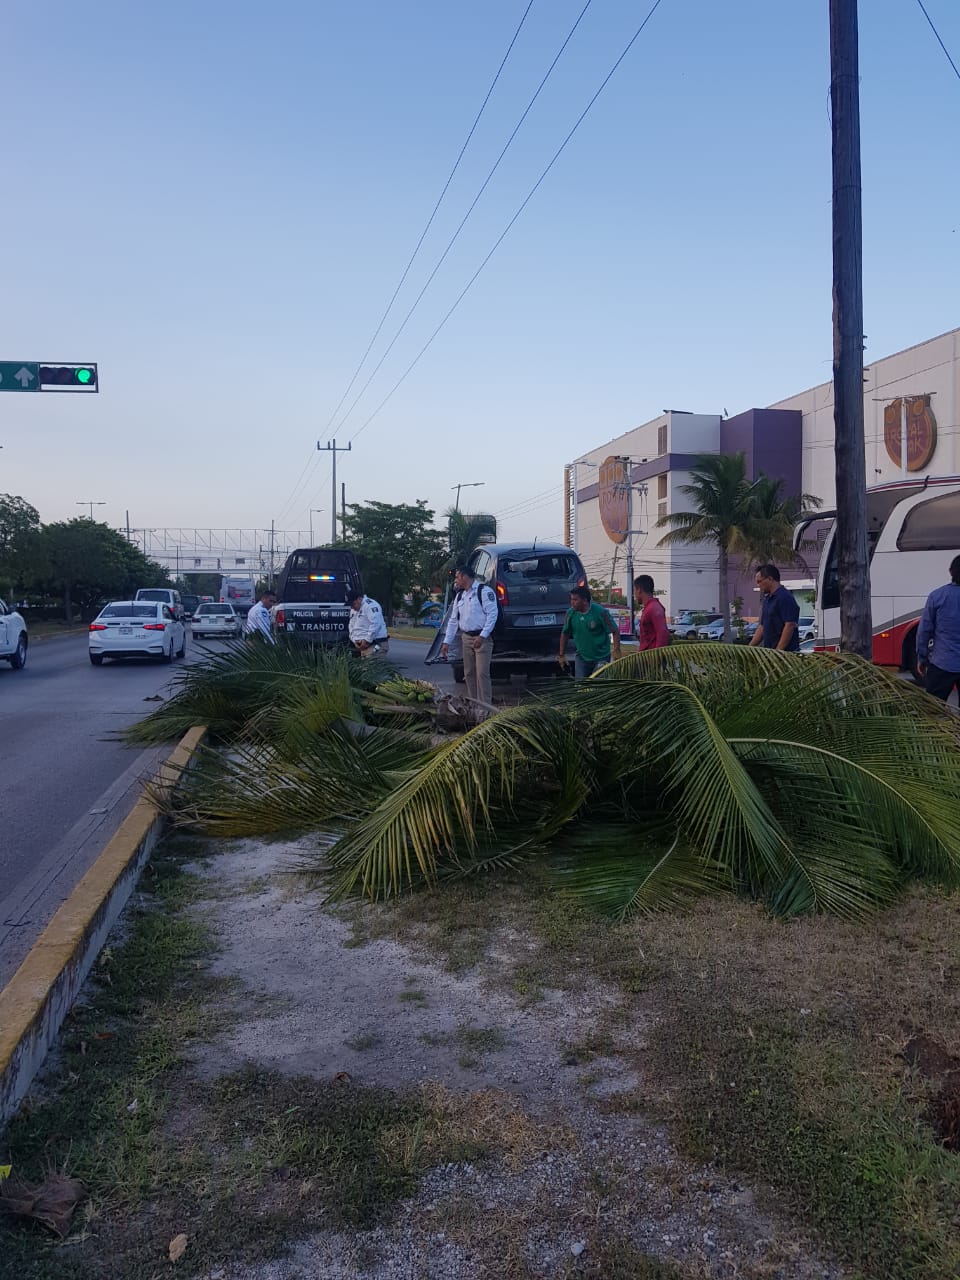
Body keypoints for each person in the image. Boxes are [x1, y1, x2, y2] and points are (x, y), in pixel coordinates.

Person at [441, 564, 499, 707]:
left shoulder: (484, 592)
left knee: (482, 674)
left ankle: (485, 708)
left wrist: (483, 636)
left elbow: (492, 615)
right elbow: (453, 621)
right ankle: (473, 705)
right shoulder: (460, 596)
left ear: (464, 576)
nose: (456, 580)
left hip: (482, 639)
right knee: (469, 674)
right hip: (466, 638)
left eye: (457, 577)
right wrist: (446, 642)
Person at [916, 555, 960, 701]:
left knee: (933, 712)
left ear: (950, 572)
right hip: (944, 661)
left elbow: (924, 631)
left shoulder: (937, 596)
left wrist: (921, 658)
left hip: (942, 663)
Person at [558, 586, 621, 678]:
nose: (572, 603)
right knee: (580, 687)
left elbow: (615, 631)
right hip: (582, 657)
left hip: (601, 658)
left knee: (598, 687)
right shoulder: (570, 613)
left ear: (584, 601)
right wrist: (561, 655)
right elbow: (565, 633)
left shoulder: (600, 612)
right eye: (571, 599)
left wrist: (617, 649)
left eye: (575, 600)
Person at [749, 564, 800, 652]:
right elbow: (762, 627)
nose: (758, 585)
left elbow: (790, 625)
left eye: (759, 581)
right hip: (770, 653)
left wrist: (779, 651)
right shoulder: (767, 599)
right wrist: (749, 648)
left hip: (785, 655)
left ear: (770, 579)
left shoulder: (784, 597)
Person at [348, 589, 389, 657]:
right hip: (363, 647)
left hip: (375, 644)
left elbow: (376, 623)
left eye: (353, 604)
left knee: (372, 667)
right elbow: (351, 625)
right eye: (350, 605)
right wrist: (354, 640)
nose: (352, 607)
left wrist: (367, 640)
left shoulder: (370, 606)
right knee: (364, 667)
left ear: (359, 599)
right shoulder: (354, 610)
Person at [633, 575, 670, 651]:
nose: (634, 595)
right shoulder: (650, 607)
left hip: (652, 659)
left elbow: (662, 633)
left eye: (634, 591)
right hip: (647, 657)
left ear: (639, 590)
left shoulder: (653, 608)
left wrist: (656, 657)